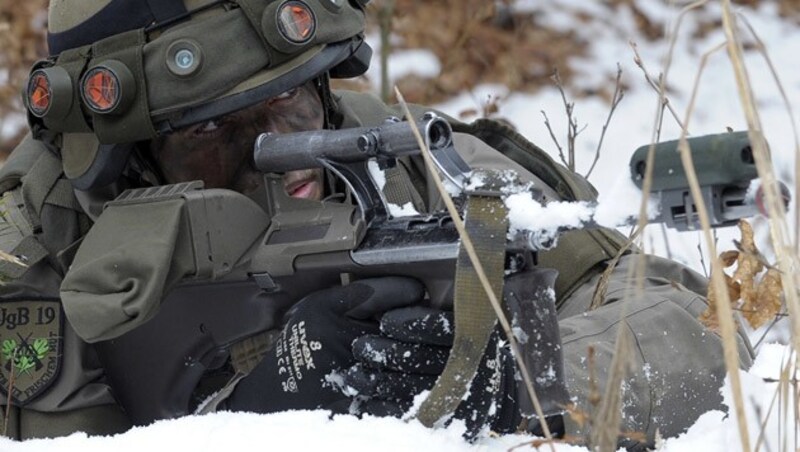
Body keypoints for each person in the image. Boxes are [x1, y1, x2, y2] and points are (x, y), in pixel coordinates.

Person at [0, 0, 754, 447]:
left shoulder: (412, 160)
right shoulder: (23, 259)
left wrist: (515, 385)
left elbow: (705, 327)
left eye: (293, 103)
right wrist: (247, 416)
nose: (282, 154)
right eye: (212, 132)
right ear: (118, 162)